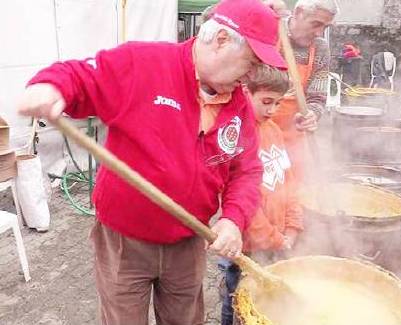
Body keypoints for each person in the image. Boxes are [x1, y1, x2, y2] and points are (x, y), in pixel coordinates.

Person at [16, 1, 287, 324]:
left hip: (189, 241)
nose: (253, 74)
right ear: (222, 40)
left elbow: (246, 171)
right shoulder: (145, 63)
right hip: (124, 241)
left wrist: (232, 218)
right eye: (252, 61)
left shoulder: (238, 104)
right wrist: (50, 86)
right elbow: (79, 76)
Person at [220, 65, 303, 325]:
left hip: (277, 239)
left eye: (277, 103)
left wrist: (292, 226)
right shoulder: (236, 138)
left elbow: (289, 184)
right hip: (247, 247)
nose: (272, 110)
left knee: (267, 304)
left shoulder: (275, 131)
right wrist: (274, 238)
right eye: (266, 102)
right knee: (236, 299)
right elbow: (244, 205)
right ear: (246, 92)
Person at [271, 0, 339, 182]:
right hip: (258, 133)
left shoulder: (320, 48)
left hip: (294, 135)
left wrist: (311, 115)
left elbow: (317, 97)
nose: (319, 32)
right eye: (316, 24)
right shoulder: (270, 31)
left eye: (325, 26)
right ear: (299, 12)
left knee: (297, 191)